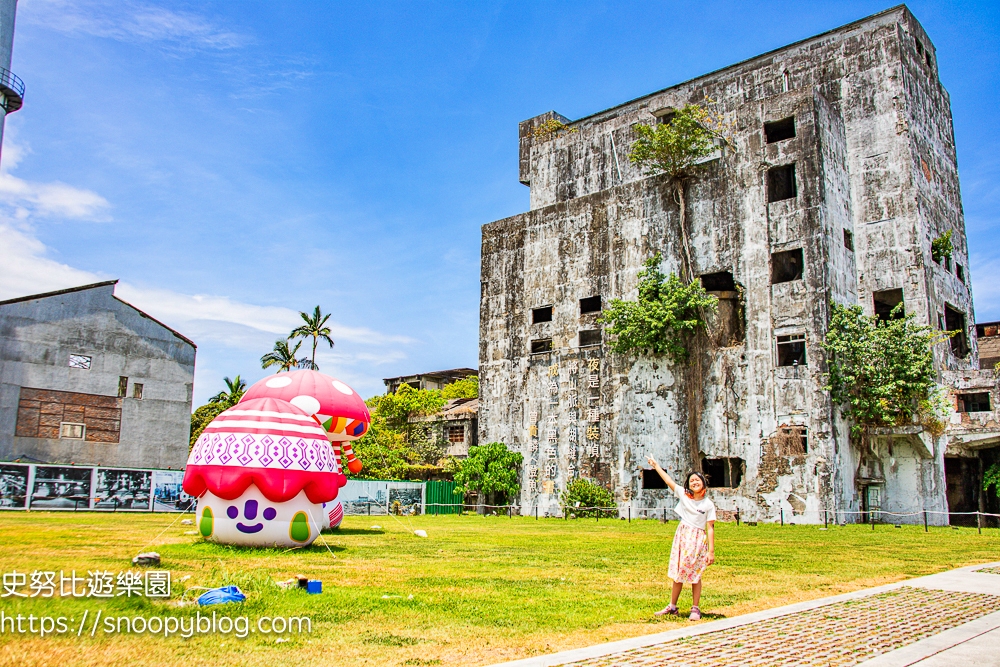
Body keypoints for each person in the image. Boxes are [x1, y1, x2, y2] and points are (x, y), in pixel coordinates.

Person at [647, 455, 716, 621]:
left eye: (697, 480)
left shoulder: (708, 504)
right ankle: (672, 605)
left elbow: (710, 527)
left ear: (703, 483)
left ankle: (695, 607)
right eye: (691, 481)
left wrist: (711, 551)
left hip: (698, 539)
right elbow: (669, 481)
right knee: (678, 572)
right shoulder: (684, 495)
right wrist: (656, 466)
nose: (694, 483)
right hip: (683, 536)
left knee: (695, 574)